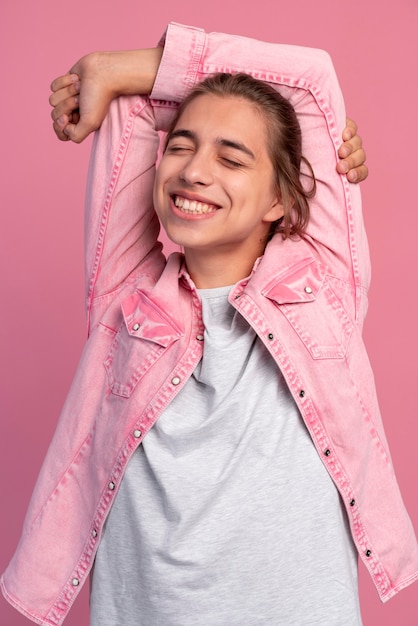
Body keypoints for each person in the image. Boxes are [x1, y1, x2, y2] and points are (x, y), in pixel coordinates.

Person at [2, 22, 417, 626]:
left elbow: (311, 82)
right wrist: (127, 86)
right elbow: (133, 117)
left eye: (232, 157)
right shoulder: (128, 297)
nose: (195, 171)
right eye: (180, 146)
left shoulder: (322, 285)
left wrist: (120, 65)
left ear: (282, 197)